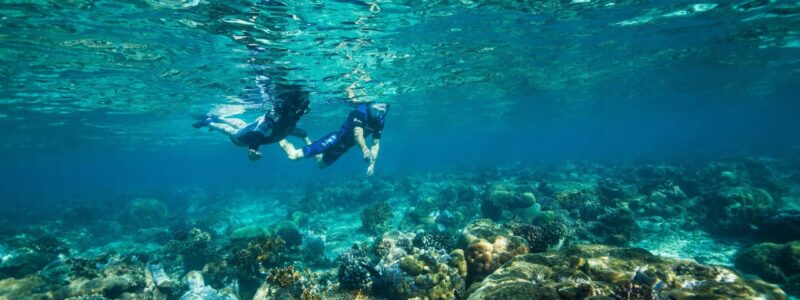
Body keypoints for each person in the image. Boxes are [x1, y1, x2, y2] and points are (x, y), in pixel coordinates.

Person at [192, 84, 312, 161]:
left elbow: (289, 129)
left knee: (240, 124)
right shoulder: (278, 119)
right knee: (229, 130)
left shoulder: (286, 117)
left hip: (254, 129)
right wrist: (253, 148)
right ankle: (209, 122)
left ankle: (216, 118)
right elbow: (258, 133)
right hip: (243, 138)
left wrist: (303, 135)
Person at [279, 102, 389, 176]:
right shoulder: (360, 112)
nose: (378, 113)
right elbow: (357, 135)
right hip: (335, 139)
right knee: (293, 156)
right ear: (371, 105)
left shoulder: (380, 121)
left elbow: (375, 144)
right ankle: (278, 136)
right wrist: (365, 150)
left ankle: (305, 137)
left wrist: (372, 163)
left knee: (320, 164)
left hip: (344, 147)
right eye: (376, 109)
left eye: (382, 111)